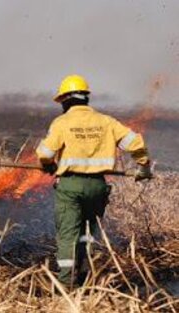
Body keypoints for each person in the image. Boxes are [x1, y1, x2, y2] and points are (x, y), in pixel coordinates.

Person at [36, 74, 152, 288]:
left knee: (68, 234)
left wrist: (48, 165)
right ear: (85, 98)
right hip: (98, 187)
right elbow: (135, 143)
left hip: (70, 186)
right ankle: (86, 279)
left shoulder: (62, 122)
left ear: (66, 100)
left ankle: (66, 287)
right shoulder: (106, 122)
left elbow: (44, 153)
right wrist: (143, 167)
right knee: (88, 235)